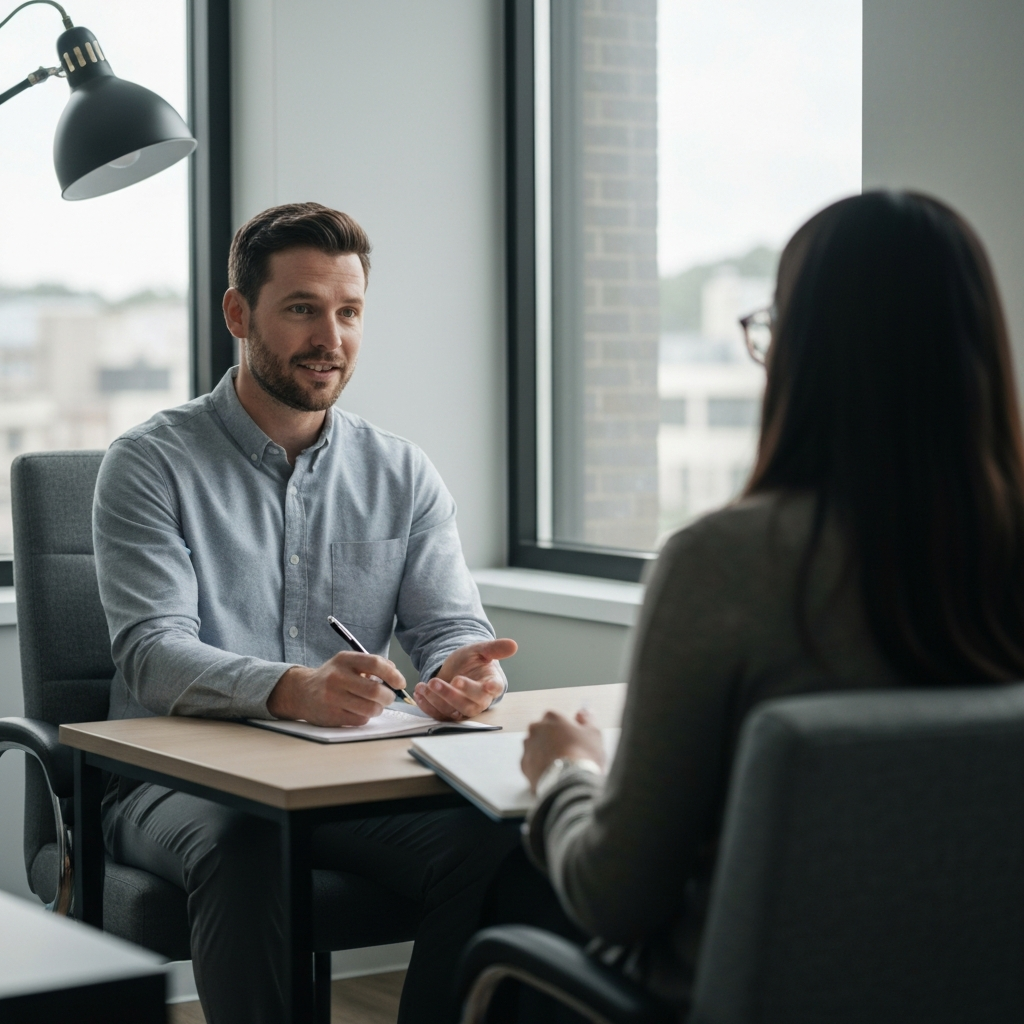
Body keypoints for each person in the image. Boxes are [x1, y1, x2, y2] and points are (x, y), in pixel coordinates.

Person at [508, 191, 1024, 1017]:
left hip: (724, 1000)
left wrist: (566, 772)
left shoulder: (726, 563)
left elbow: (615, 896)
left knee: (513, 903)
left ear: (804, 354)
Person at [93, 202, 522, 1024]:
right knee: (250, 844)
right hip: (175, 786)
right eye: (301, 309)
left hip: (339, 783)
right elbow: (151, 653)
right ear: (237, 314)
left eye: (349, 311)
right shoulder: (149, 465)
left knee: (499, 844)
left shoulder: (402, 472)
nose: (331, 337)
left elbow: (450, 632)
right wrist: (294, 689)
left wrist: (470, 676)